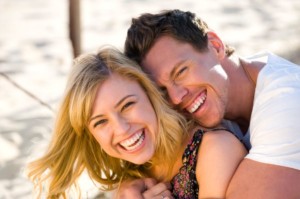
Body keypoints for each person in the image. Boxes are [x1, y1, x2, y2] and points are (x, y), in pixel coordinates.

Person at [122, 9, 300, 198]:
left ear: (216, 46)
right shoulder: (214, 95)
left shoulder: (288, 103)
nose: (176, 97)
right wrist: (128, 186)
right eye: (163, 91)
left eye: (181, 72)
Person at [26, 47, 247, 198]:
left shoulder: (214, 149)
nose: (121, 128)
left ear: (151, 95)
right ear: (91, 135)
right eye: (101, 122)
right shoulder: (132, 177)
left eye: (127, 106)